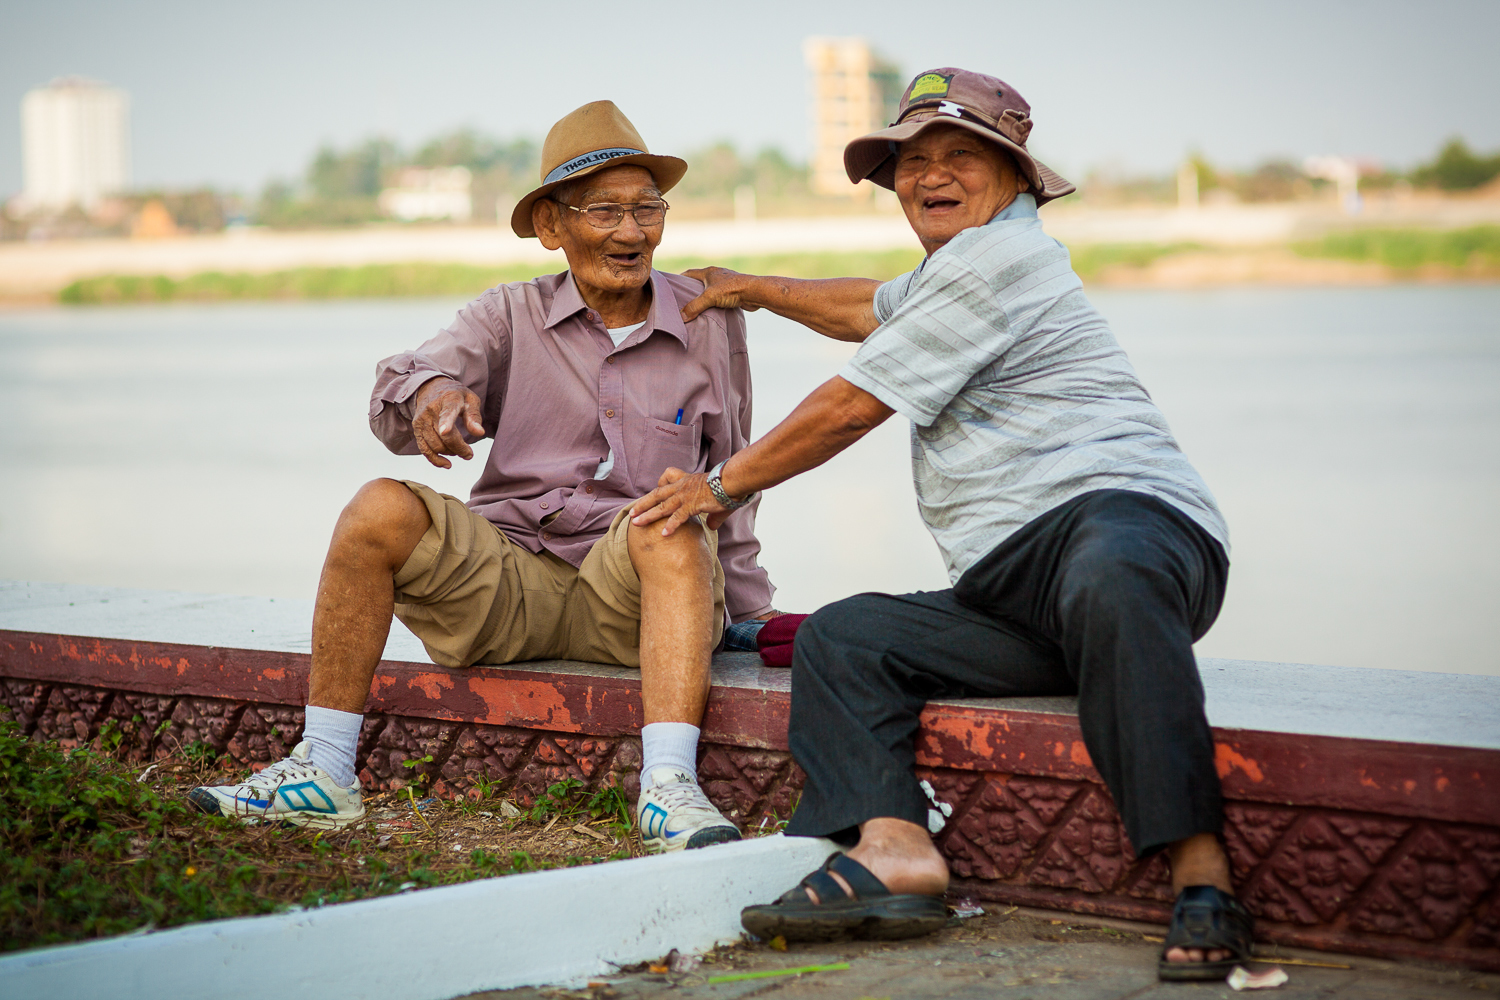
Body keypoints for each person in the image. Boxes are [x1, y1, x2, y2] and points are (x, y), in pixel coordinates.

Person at [630, 68, 1252, 979]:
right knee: (845, 639)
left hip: (1132, 530)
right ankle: (897, 851)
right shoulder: (947, 275)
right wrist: (753, 288)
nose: (929, 175)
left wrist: (717, 487)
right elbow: (865, 308)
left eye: (960, 155)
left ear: (1017, 176)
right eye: (912, 162)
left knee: (1106, 571)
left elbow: (851, 407)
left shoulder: (1004, 261)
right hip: (1020, 594)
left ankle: (1204, 876)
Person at [190, 100, 780, 853]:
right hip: (510, 583)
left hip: (636, 594)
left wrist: (747, 612)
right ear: (551, 226)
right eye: (603, 211)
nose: (631, 233)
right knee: (377, 509)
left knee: (672, 517)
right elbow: (404, 379)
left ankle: (669, 790)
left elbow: (734, 475)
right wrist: (434, 399)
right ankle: (325, 772)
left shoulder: (710, 320)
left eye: (647, 209)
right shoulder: (509, 315)